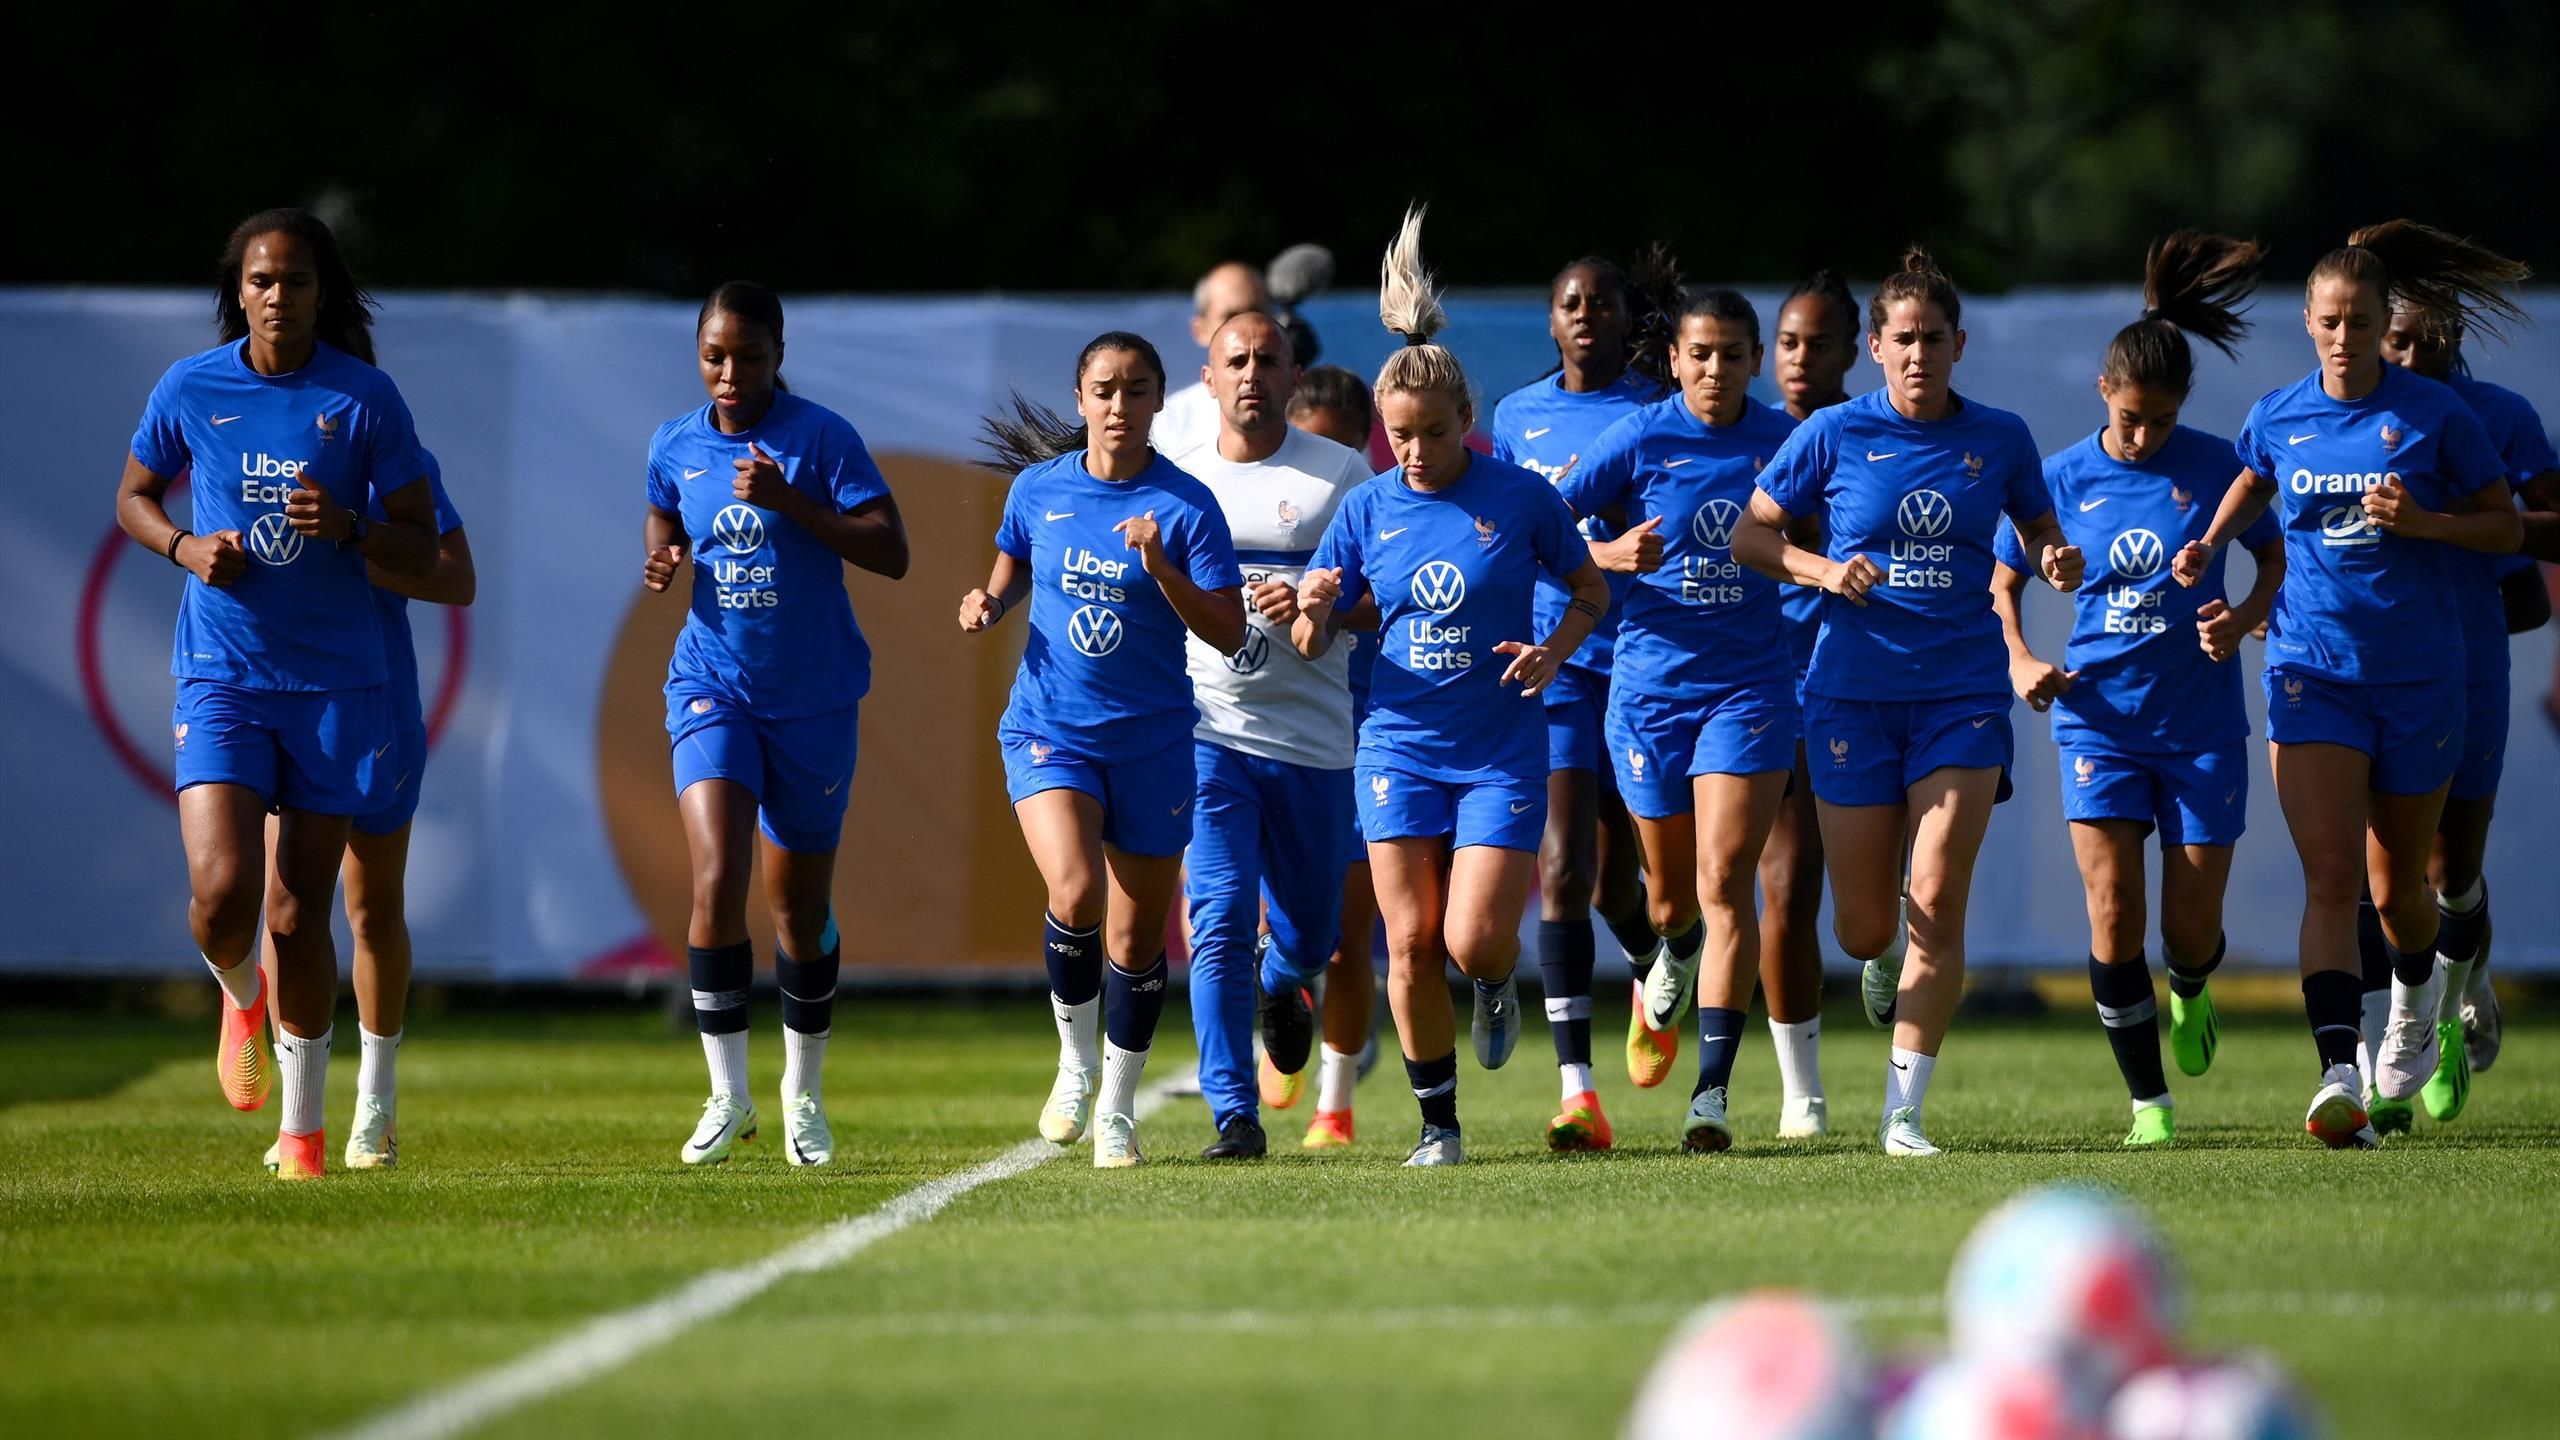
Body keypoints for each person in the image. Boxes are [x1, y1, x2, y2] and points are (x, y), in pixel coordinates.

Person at [2171, 221, 2524, 1149]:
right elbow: (2251, 480)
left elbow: (2504, 528)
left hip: (2419, 677)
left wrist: (2428, 524)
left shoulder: (2438, 416)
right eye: (2329, 320)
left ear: (2381, 324)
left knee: (2399, 887)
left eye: (2360, 322)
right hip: (2309, 671)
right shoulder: (2280, 412)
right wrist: (2210, 542)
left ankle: (2414, 1011)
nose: (2344, 337)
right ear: (2309, 320)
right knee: (2331, 880)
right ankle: (2338, 1072)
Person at [114, 207, 440, 1180]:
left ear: (323, 295)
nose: (278, 296)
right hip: (223, 675)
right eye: (261, 280)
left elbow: (423, 545)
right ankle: (237, 990)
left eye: (297, 281)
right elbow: (133, 496)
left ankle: (300, 1132)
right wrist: (183, 544)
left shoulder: (366, 399)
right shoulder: (190, 386)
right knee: (223, 899)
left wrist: (349, 526)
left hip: (337, 684)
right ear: (238, 292)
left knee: (302, 912)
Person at [1735, 248, 2084, 1157]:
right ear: (1877, 351)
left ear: (1958, 344)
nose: (1919, 353)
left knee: (1937, 892)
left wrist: (2052, 554)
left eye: (1934, 338)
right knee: (1862, 927)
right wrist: (1819, 570)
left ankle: (1903, 1114)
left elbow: (2039, 523)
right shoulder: (1834, 433)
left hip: (1961, 697)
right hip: (1851, 697)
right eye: (1903, 340)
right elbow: (1749, 533)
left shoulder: (2001, 438)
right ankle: (1879, 951)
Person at [1291, 206, 1613, 1166]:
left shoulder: (1519, 498)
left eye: (1434, 433)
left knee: (1475, 943)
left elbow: (1590, 589)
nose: (1417, 452)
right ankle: (1440, 1126)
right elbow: (1315, 637)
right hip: (1395, 747)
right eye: (1401, 436)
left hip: (1501, 748)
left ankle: (1497, 984)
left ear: (1467, 423)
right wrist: (1305, 604)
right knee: (1410, 941)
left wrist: (1554, 652)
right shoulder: (1363, 509)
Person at [1990, 232, 2280, 1148]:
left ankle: (2191, 989)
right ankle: (2148, 1105)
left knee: (2190, 933)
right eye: (2128, 420)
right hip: (2097, 725)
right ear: (2102, 399)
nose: (2143, 436)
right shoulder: (2062, 476)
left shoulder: (2219, 467)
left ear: (2181, 406)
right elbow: (2007, 580)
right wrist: (2022, 660)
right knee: (2115, 914)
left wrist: (2240, 617)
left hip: (2199, 728)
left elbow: (2273, 562)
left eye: (2158, 420)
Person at [643, 282, 909, 1167]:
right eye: (714, 355)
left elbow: (891, 550)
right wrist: (664, 550)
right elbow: (662, 503)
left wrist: (793, 502)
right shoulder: (675, 444)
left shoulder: (820, 437)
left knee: (798, 910)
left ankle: (804, 1093)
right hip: (713, 685)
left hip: (815, 698)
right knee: (717, 876)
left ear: (778, 355)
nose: (729, 373)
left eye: (748, 356)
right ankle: (727, 1094)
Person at [965, 333, 1245, 1168]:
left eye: (1136, 391)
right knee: (1075, 887)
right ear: (1081, 398)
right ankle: (1074, 1066)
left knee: (1135, 941)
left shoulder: (1187, 507)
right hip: (1050, 730)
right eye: (1104, 390)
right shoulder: (1037, 488)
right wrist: (990, 598)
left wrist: (1162, 566)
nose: (1119, 406)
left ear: (1160, 401)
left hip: (1154, 743)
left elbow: (1230, 632)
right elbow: (1013, 557)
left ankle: (1116, 1112)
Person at [1559, 286, 1801, 1152]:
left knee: (1727, 880)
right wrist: (1610, 552)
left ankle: (1711, 1097)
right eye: (1700, 354)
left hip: (1751, 689)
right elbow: (1539, 529)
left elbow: (1830, 528)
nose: (1714, 369)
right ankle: (1671, 949)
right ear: (1674, 360)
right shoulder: (1640, 435)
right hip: (1650, 690)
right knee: (1668, 901)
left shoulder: (1784, 441)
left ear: (1754, 361)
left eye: (1732, 354)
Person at [1161, 313, 1373, 1160]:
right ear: (1208, 379)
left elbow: (1383, 600)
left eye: (1268, 361)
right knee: (1213, 920)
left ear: (1293, 377)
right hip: (1207, 735)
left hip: (1316, 745)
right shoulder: (1175, 484)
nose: (1252, 374)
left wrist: (1321, 603)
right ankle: (1234, 1115)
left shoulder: (1345, 478)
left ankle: (1282, 980)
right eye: (1235, 361)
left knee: (1312, 937)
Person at [1490, 254, 1681, 1134]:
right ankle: (1578, 1094)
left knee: (1626, 886)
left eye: (1603, 304)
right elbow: (1515, 536)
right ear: (1552, 318)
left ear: (1622, 316)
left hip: (1645, 661)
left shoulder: (1656, 408)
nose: (1586, 316)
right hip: (1556, 659)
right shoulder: (1515, 415)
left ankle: (1654, 961)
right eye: (1571, 303)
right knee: (1564, 867)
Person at [2359, 285, 2553, 1127]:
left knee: (2449, 872)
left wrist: (2452, 524)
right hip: (2360, 666)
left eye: (2420, 345)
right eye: (2392, 343)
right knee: (2373, 876)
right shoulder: (2342, 411)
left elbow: (2552, 526)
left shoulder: (2497, 415)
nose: (2404, 360)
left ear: (2453, 341)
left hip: (2466, 662)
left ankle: (2464, 986)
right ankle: (2382, 1063)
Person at [258, 445, 474, 1173]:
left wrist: (351, 543)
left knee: (372, 909)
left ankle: (376, 1108)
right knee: (287, 910)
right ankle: (298, 1119)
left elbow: (456, 576)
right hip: (285, 706)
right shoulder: (256, 445)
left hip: (377, 706)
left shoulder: (396, 459)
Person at [1757, 268, 1864, 1138]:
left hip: (1877, 685)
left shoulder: (1876, 438)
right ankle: (1803, 1092)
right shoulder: (1742, 438)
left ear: (1851, 352)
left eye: (1818, 343)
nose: (1800, 359)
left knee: (1867, 899)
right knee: (1786, 886)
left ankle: (1883, 935)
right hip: (1768, 687)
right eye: (1788, 342)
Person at [1286, 366, 1386, 1148]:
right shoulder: (1263, 514)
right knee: (1279, 931)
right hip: (1277, 740)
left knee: (1351, 938)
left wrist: (1334, 608)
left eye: (1337, 450)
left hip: (1365, 742)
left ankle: (1335, 1106)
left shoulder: (1388, 518)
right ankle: (1276, 1007)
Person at [1157, 261, 1274, 457]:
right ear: (1199, 329)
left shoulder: (1304, 408)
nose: (1245, 327)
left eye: (1255, 313)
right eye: (1231, 316)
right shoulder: (1167, 424)